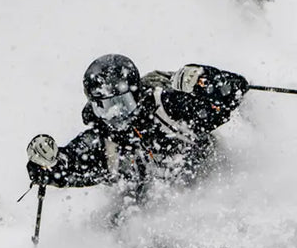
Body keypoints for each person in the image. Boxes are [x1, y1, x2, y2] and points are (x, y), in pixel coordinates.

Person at [26, 54, 248, 201]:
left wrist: (206, 81)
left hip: (211, 179)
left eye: (123, 104)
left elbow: (231, 94)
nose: (116, 115)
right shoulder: (104, 139)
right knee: (117, 223)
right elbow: (71, 166)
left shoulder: (166, 105)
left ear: (136, 94)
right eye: (105, 107)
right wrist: (47, 163)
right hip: (152, 204)